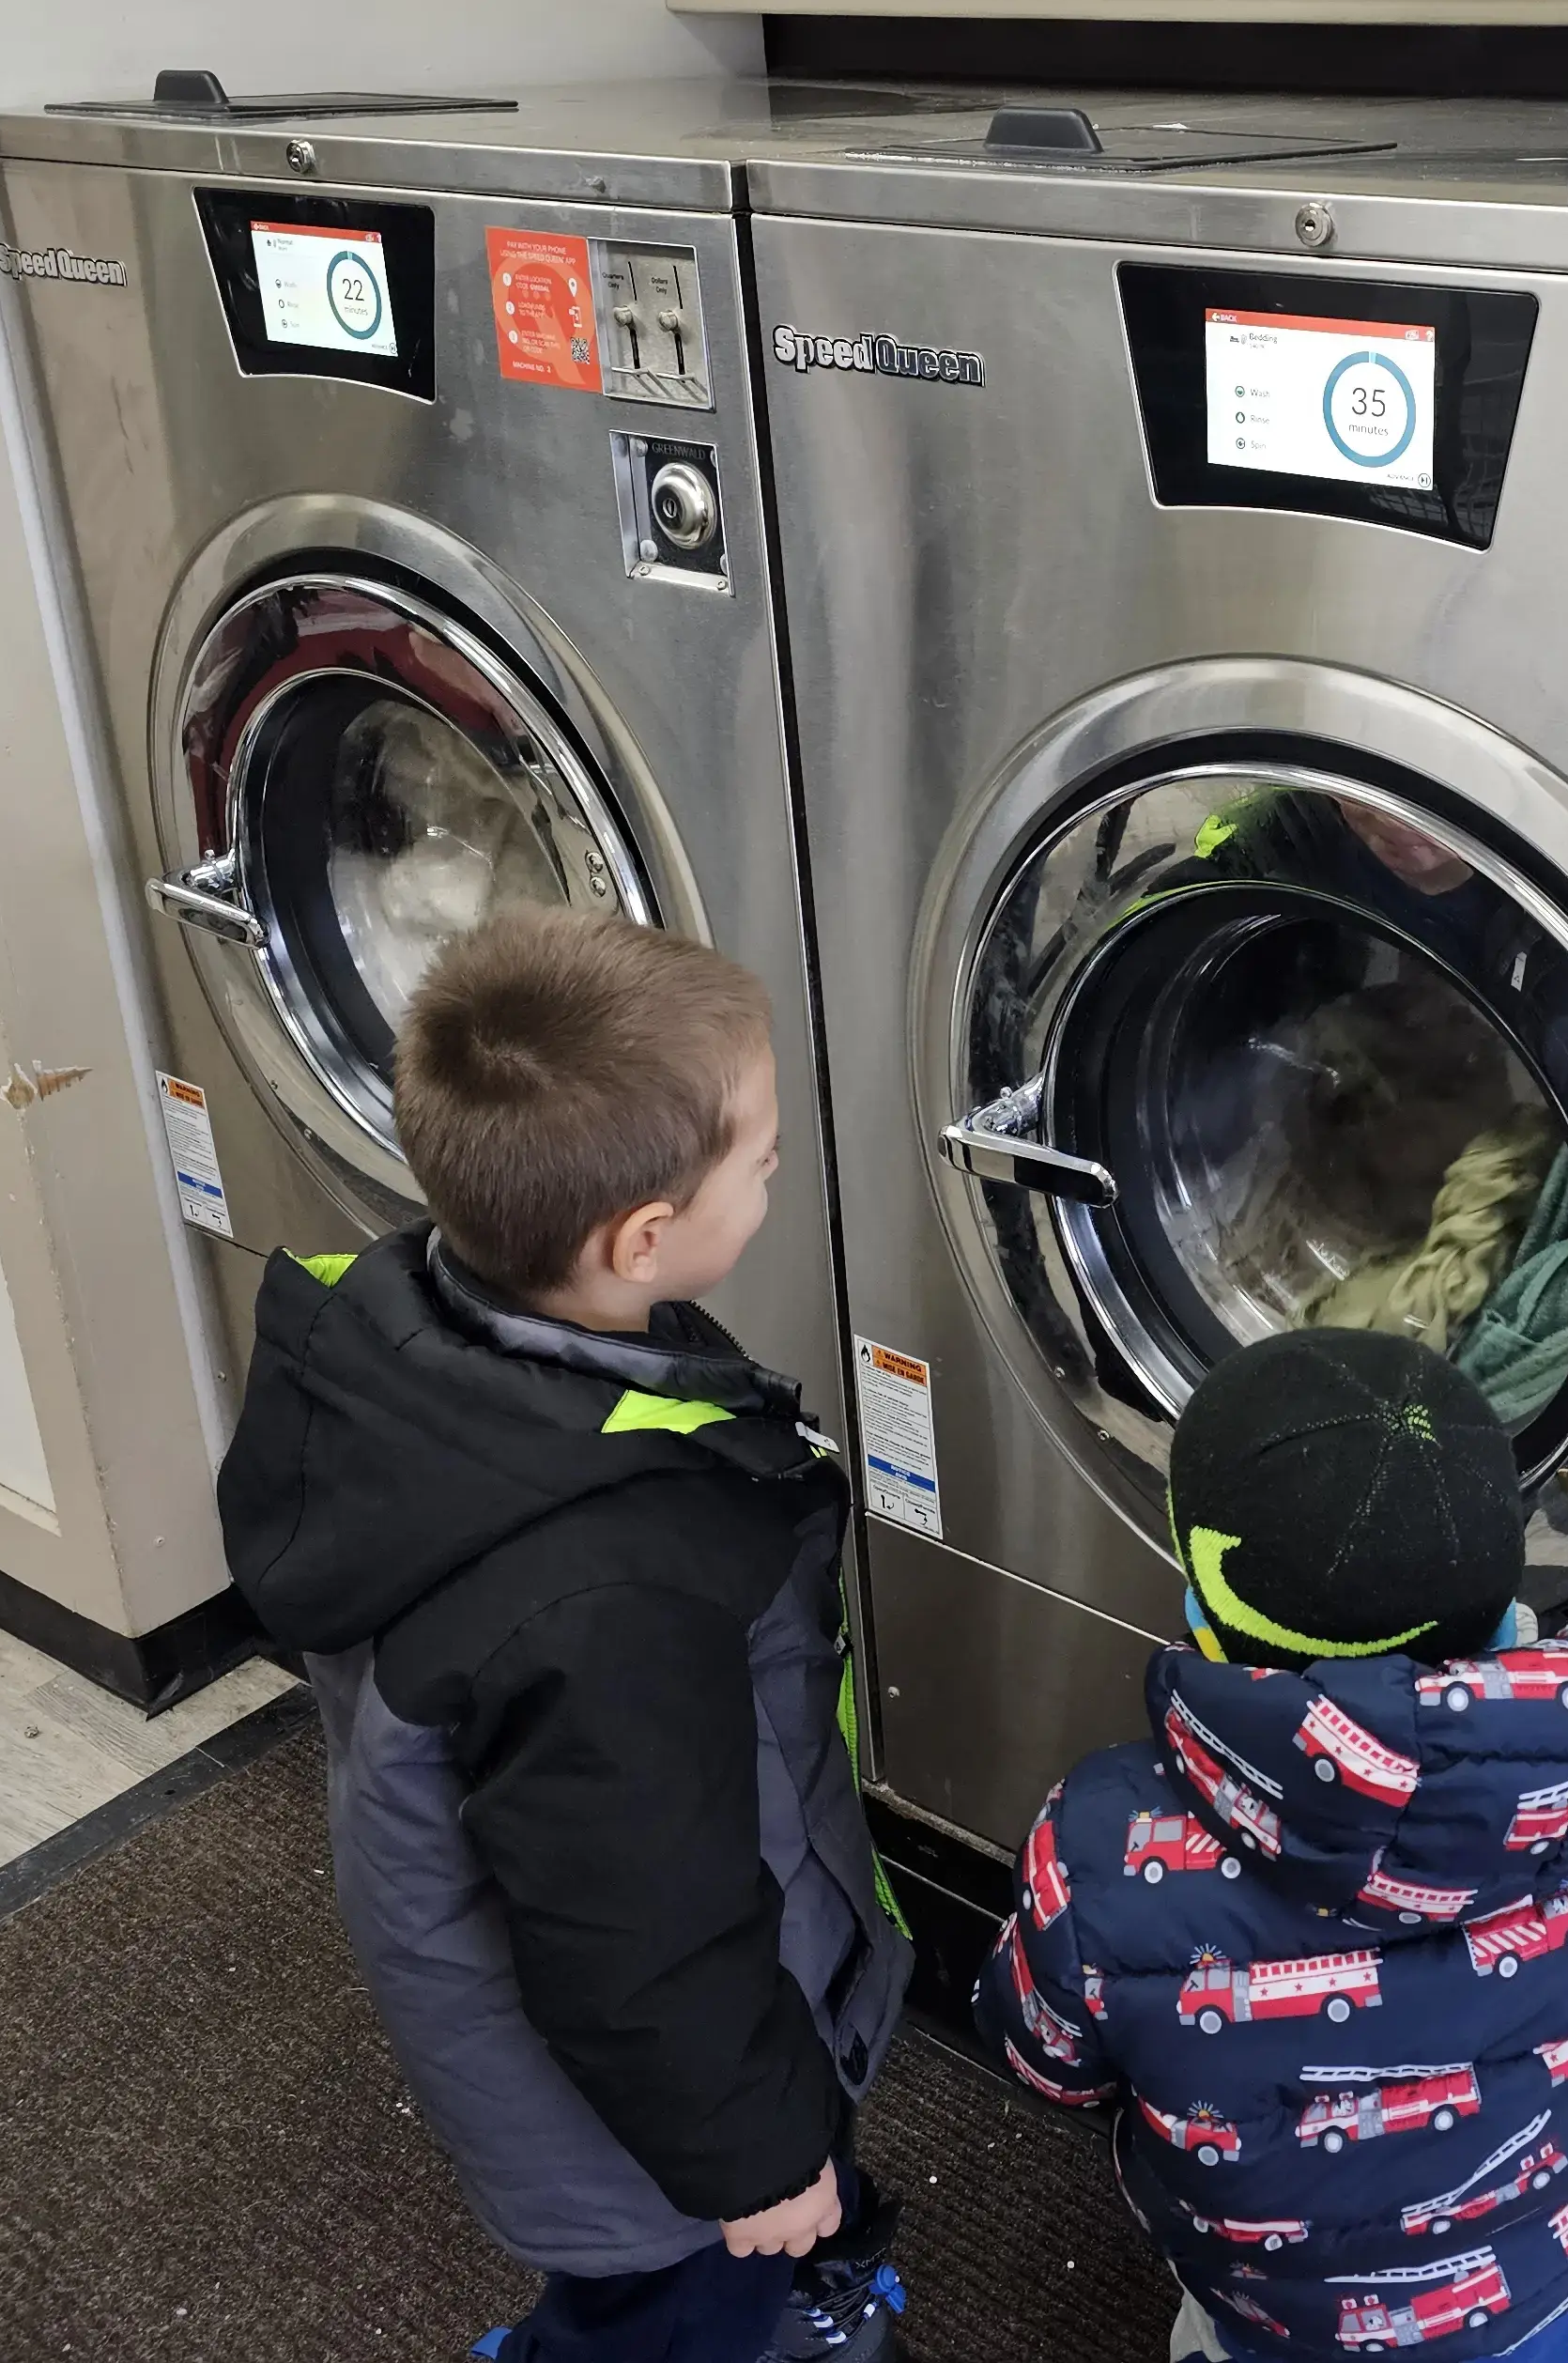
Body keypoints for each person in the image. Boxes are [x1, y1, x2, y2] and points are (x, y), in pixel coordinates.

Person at [215, 908, 911, 2363]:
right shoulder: (609, 1596)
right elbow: (640, 1934)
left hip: (551, 1988)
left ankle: (779, 2245)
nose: (780, 1169)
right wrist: (757, 2157)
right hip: (636, 2120)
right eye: (766, 1157)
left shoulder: (426, 1328)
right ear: (644, 1236)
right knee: (665, 2316)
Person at [973, 1328, 1568, 2362]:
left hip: (1282, 2321)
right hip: (1554, 2288)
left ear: (1211, 1602)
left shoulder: (1103, 1842)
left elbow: (1047, 2059)